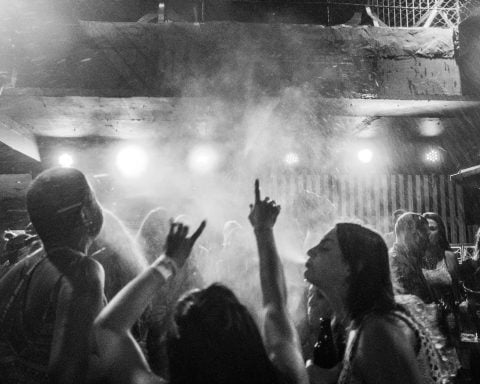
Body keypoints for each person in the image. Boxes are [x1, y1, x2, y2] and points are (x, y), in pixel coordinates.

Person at [305, 222, 454, 384]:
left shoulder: (376, 331)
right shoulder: (363, 324)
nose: (310, 251)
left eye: (325, 247)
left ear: (354, 265)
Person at [0, 167, 105, 384]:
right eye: (95, 199)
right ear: (85, 213)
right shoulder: (83, 271)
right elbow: (70, 374)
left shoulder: (22, 269)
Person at [389, 212, 434, 303]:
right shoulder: (396, 262)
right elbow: (409, 305)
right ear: (410, 234)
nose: (428, 241)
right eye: (426, 235)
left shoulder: (409, 259)